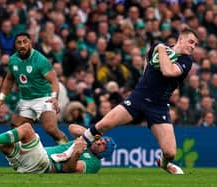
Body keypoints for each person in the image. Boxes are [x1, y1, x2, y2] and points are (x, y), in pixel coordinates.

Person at [81, 28, 199, 174]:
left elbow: (168, 71)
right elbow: (148, 58)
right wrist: (145, 77)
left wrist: (161, 49)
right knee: (103, 124)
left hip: (159, 106)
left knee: (170, 153)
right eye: (191, 42)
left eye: (195, 44)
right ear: (181, 39)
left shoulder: (186, 60)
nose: (193, 46)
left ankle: (163, 163)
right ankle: (71, 150)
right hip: (139, 99)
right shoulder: (157, 47)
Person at [0, 32, 68, 144]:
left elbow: (54, 81)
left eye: (25, 42)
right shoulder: (13, 60)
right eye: (19, 42)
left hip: (44, 98)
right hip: (25, 99)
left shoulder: (40, 60)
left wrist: (54, 98)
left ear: (30, 43)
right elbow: (9, 79)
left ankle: (68, 150)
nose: (22, 45)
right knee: (15, 129)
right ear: (15, 45)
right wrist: (1, 99)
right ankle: (27, 155)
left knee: (50, 129)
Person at [0, 122, 116, 174]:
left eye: (103, 145)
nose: (99, 142)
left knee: (27, 128)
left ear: (104, 153)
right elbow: (72, 127)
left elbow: (69, 169)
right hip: (30, 162)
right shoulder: (86, 143)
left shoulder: (94, 164)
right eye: (101, 140)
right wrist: (90, 135)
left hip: (45, 163)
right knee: (3, 144)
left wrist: (76, 153)